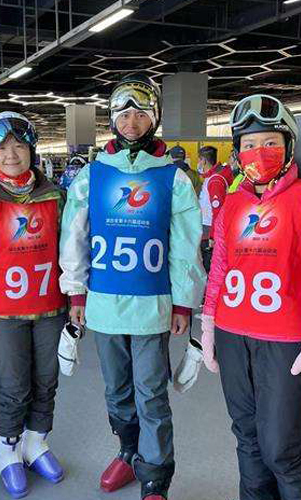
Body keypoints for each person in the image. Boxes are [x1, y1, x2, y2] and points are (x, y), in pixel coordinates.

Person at [59, 73, 205, 500]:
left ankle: (155, 477)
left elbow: (183, 248)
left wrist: (183, 304)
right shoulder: (92, 176)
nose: (131, 122)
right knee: (117, 390)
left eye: (141, 113)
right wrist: (76, 293)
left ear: (154, 118)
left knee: (151, 393)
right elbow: (75, 237)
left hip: (152, 306)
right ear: (111, 119)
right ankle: (129, 451)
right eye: (123, 114)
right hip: (103, 304)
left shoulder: (173, 179)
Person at [201, 94, 301, 500]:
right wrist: (208, 323)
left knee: (281, 448)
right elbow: (221, 268)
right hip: (231, 333)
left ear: (288, 146)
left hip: (285, 340)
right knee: (247, 437)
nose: (258, 153)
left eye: (269, 143)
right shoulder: (231, 202)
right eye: (248, 144)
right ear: (237, 151)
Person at [0, 111, 67, 499]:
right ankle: (7, 447)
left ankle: (35, 441)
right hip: (5, 314)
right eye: (2, 148)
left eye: (19, 146)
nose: (11, 154)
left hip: (50, 309)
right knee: (14, 385)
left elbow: (71, 254)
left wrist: (76, 301)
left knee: (47, 380)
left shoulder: (56, 196)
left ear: (31, 151)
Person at [197, 145, 233, 274]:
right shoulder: (212, 177)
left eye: (199, 160)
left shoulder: (215, 180)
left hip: (209, 230)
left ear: (203, 161)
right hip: (208, 228)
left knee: (208, 266)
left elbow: (217, 211)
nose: (198, 163)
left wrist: (213, 236)